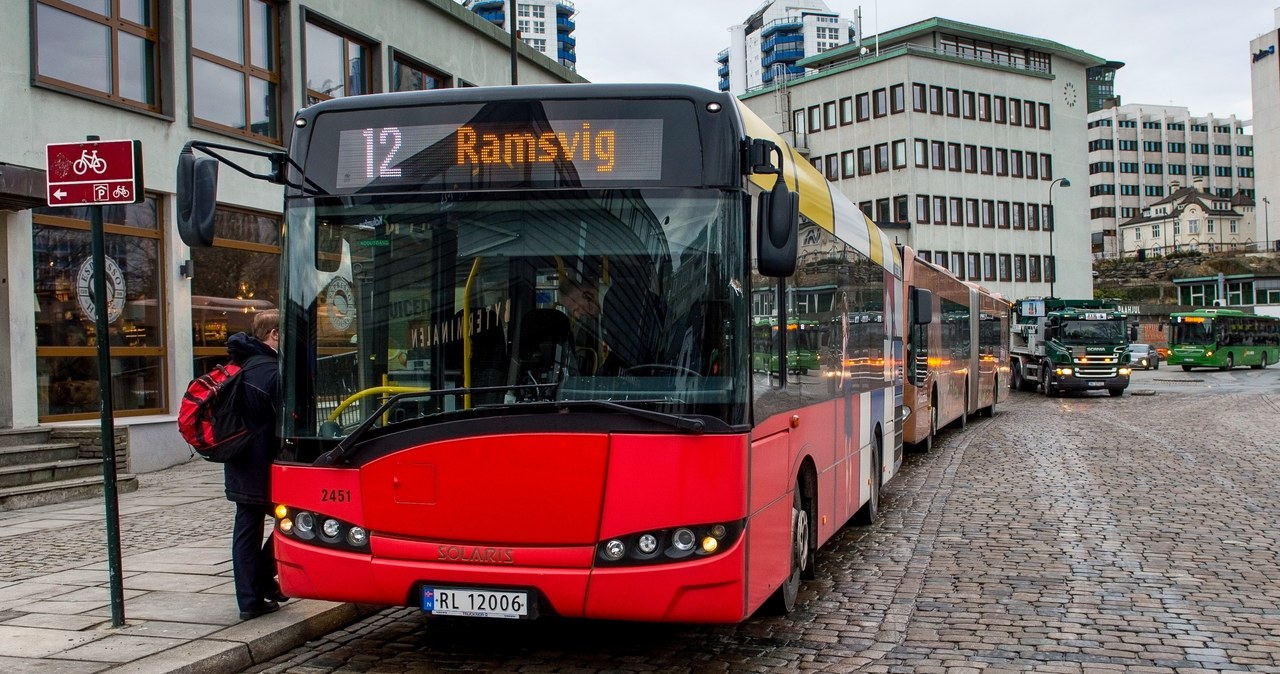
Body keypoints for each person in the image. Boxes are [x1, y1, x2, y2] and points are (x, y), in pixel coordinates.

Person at [223, 309, 286, 620]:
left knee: (247, 530)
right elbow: (283, 422)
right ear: (273, 335)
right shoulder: (270, 371)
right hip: (264, 465)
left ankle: (253, 594)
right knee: (299, 520)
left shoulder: (242, 364)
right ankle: (256, 588)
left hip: (239, 461)